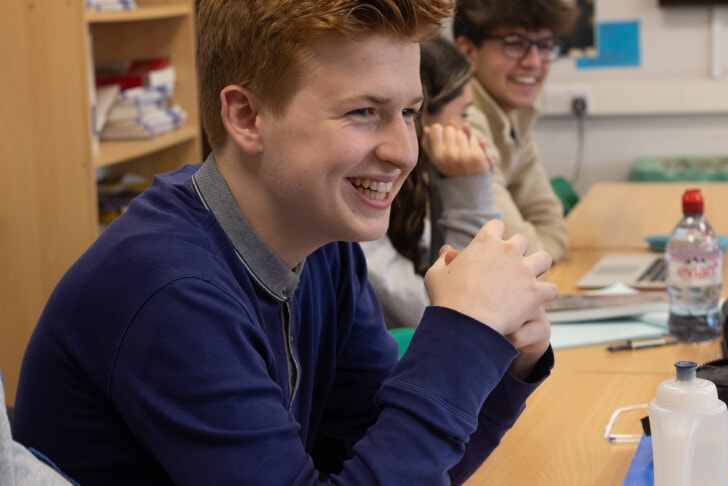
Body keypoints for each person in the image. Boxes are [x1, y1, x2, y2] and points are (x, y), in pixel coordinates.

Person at [12, 1, 559, 485]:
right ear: (246, 117)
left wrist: (503, 366)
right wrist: (461, 341)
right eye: (363, 112)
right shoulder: (169, 290)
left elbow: (399, 463)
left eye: (410, 112)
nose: (404, 152)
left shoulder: (323, 241)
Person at [360, 35, 499, 329]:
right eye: (463, 115)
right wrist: (468, 188)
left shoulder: (412, 186)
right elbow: (467, 311)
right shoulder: (354, 190)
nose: (467, 130)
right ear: (426, 118)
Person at [453, 0, 577, 262]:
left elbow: (551, 223)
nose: (534, 62)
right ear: (468, 51)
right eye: (515, 44)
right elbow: (517, 253)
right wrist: (540, 255)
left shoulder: (516, 111)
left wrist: (539, 253)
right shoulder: (460, 119)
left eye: (544, 46)